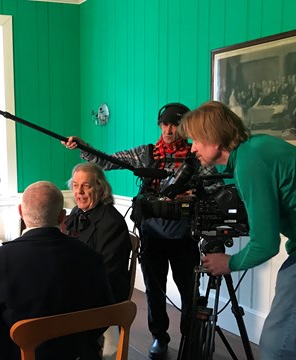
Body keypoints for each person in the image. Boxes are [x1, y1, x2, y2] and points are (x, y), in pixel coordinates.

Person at [179, 100, 296, 359]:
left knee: (277, 345)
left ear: (214, 138)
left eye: (196, 140)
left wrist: (229, 263)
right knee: (295, 337)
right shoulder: (253, 150)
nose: (193, 148)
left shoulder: (250, 162)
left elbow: (266, 243)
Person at [63, 102, 218, 359]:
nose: (169, 130)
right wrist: (82, 147)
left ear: (185, 126)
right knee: (154, 290)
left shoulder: (198, 156)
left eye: (175, 124)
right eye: (165, 124)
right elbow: (108, 161)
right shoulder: (146, 153)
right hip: (151, 234)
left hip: (185, 236)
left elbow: (214, 192)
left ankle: (190, 340)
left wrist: (193, 197)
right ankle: (159, 336)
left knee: (189, 292)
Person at [0, 181, 114, 360]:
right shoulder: (90, 257)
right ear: (62, 217)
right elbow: (104, 315)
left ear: (20, 213)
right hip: (76, 354)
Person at [65, 162, 131, 303]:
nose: (79, 192)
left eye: (86, 186)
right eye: (76, 185)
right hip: (81, 282)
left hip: (103, 293)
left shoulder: (111, 222)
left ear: (100, 188)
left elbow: (107, 272)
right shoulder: (77, 211)